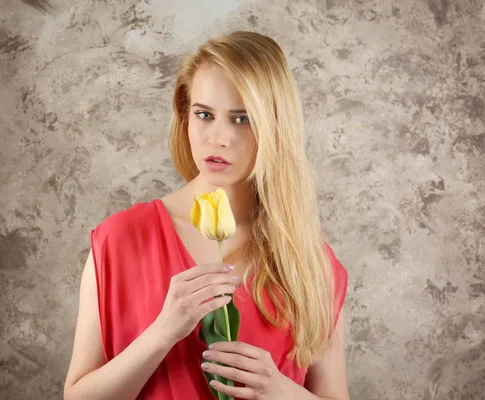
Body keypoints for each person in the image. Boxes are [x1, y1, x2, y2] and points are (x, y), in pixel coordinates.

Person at [64, 31, 349, 400]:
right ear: (184, 117)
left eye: (242, 119)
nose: (218, 138)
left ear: (275, 127)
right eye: (204, 114)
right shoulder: (119, 239)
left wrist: (280, 391)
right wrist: (164, 330)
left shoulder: (311, 263)